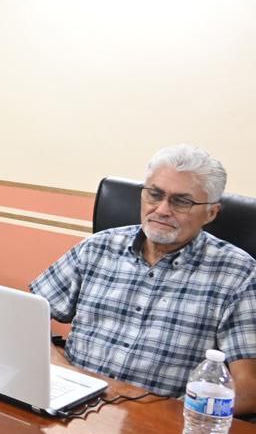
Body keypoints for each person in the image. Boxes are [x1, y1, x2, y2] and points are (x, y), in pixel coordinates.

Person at [31, 145, 256, 413]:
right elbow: (27, 316)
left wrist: (162, 415)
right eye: (154, 194)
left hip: (159, 423)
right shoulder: (98, 247)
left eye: (181, 201)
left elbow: (248, 389)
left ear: (211, 213)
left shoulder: (238, 274)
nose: (161, 209)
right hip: (70, 402)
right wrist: (60, 369)